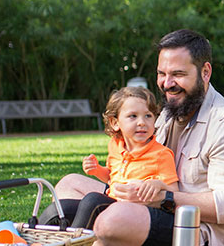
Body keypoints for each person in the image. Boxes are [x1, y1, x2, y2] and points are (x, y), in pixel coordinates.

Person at [42, 29, 224, 246]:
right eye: (162, 74)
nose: (167, 84)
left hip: (199, 238)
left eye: (178, 74)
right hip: (149, 207)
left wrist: (165, 199)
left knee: (111, 221)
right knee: (68, 185)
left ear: (205, 72)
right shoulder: (169, 112)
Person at [68, 86, 180, 229]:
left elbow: (174, 191)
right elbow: (111, 177)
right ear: (115, 123)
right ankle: (37, 245)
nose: (142, 122)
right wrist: (97, 170)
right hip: (113, 202)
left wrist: (158, 185)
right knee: (64, 207)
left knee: (92, 200)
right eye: (133, 116)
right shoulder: (115, 145)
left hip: (136, 213)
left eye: (148, 116)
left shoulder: (161, 154)